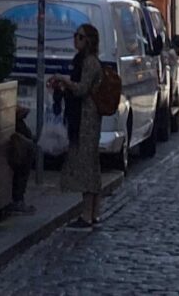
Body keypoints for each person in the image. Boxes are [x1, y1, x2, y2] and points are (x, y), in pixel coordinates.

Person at [49, 21, 107, 231]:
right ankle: (94, 213)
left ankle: (88, 214)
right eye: (75, 35)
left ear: (89, 41)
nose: (76, 39)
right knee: (89, 165)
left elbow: (82, 89)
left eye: (80, 36)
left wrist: (64, 81)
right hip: (83, 117)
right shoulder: (80, 60)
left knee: (87, 166)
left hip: (88, 118)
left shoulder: (90, 62)